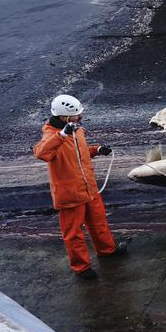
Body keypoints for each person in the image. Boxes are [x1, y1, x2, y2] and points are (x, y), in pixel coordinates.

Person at [33, 94, 127, 280]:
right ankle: (81, 267)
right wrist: (62, 135)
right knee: (73, 233)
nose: (81, 117)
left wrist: (97, 150)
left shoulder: (76, 130)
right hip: (69, 195)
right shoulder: (52, 136)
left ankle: (107, 250)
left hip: (89, 189)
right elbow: (41, 153)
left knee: (99, 222)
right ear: (64, 117)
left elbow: (80, 152)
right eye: (77, 115)